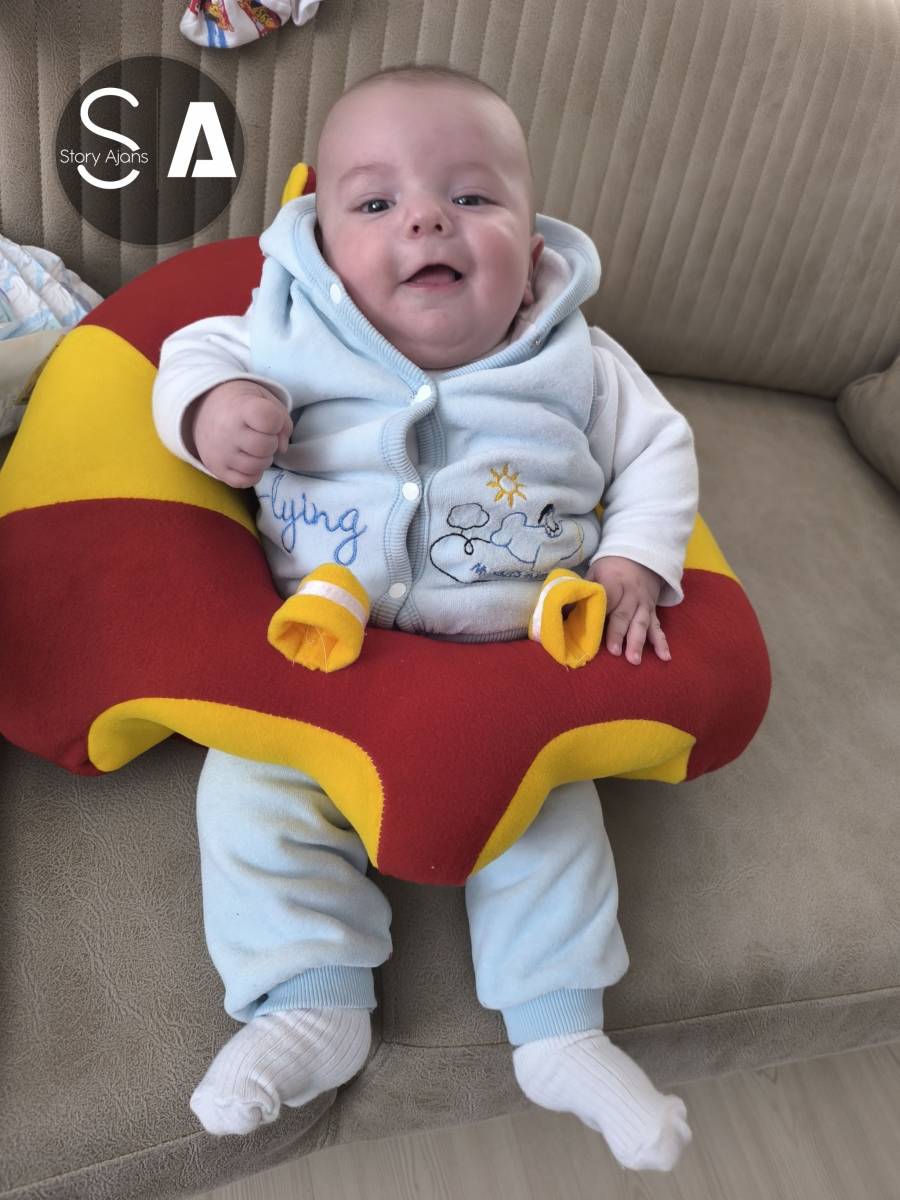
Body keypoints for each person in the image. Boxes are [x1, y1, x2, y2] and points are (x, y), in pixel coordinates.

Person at [152, 64, 698, 1172]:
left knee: (551, 814)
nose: (426, 219)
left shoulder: (578, 359)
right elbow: (187, 357)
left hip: (510, 663)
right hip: (325, 652)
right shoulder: (288, 326)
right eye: (375, 201)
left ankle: (560, 1028)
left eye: (472, 196)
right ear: (320, 242)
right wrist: (213, 412)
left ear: (532, 253)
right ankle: (311, 1001)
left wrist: (637, 555)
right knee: (249, 791)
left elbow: (659, 449)